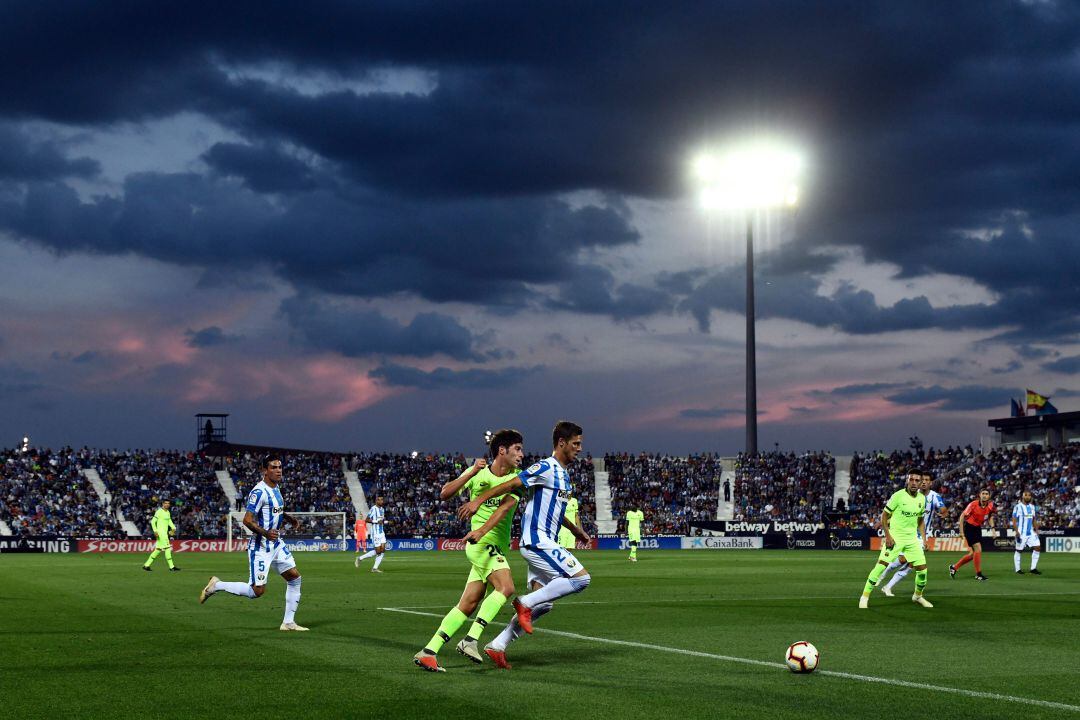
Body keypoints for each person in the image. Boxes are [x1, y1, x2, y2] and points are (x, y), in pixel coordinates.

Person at [457, 421, 592, 668]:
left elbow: (556, 512)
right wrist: (479, 501)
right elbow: (511, 484)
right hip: (537, 541)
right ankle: (523, 603)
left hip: (543, 541)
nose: (580, 448)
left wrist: (576, 530)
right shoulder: (546, 467)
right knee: (581, 580)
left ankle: (497, 645)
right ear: (561, 443)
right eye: (576, 444)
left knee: (545, 603)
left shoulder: (564, 474)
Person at [413, 429, 524, 672]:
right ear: (501, 451)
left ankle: (429, 651)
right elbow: (445, 493)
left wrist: (483, 528)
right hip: (482, 544)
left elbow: (504, 508)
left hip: (488, 543)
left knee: (469, 603)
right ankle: (471, 640)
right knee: (506, 588)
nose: (522, 454)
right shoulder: (478, 472)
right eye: (517, 449)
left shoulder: (518, 478)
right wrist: (470, 472)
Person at [198, 455, 307, 631]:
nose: (278, 470)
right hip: (261, 546)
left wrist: (288, 518)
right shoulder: (258, 492)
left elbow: (276, 510)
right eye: (274, 467)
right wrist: (265, 533)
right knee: (256, 591)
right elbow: (247, 520)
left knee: (294, 578)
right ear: (264, 470)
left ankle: (288, 622)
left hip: (276, 543)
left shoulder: (276, 488)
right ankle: (216, 586)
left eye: (280, 467)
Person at [859, 471, 932, 609]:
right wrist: (888, 535)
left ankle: (917, 596)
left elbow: (920, 520)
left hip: (912, 540)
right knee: (880, 566)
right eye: (912, 480)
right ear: (907, 480)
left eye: (917, 480)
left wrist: (924, 539)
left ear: (921, 482)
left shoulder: (922, 499)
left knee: (923, 571)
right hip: (895, 538)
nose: (914, 483)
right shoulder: (897, 496)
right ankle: (864, 597)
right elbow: (884, 516)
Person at [879, 472, 946, 595]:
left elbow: (943, 508)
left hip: (921, 535)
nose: (924, 482)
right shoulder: (912, 495)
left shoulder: (934, 496)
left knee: (911, 564)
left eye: (927, 480)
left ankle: (888, 586)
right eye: (923, 480)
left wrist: (943, 512)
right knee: (902, 559)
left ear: (930, 483)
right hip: (906, 533)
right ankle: (883, 573)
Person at [950, 489, 995, 581]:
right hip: (969, 527)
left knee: (973, 554)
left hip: (978, 528)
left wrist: (993, 529)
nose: (984, 495)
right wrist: (961, 532)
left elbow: (990, 516)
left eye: (986, 494)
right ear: (979, 495)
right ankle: (978, 574)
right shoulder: (973, 504)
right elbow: (962, 516)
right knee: (978, 548)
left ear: (989, 496)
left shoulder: (990, 505)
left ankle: (954, 567)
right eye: (983, 493)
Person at [142, 500, 179, 572]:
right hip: (160, 533)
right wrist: (155, 531)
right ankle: (171, 567)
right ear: (163, 504)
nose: (167, 504)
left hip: (164, 533)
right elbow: (153, 521)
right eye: (165, 503)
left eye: (168, 503)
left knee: (158, 550)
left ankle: (146, 565)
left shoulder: (168, 512)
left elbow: (169, 521)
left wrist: (174, 527)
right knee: (167, 548)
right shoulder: (159, 512)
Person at [1012, 490, 1042, 575]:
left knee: (1037, 547)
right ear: (1022, 496)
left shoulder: (1032, 507)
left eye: (1029, 495)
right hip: (1021, 532)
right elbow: (1014, 520)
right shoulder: (1017, 507)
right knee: (1019, 550)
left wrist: (1036, 530)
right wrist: (1017, 532)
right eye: (1026, 495)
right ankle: (1018, 569)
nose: (1028, 497)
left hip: (1031, 532)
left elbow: (1033, 519)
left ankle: (1033, 568)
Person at [356, 496, 386, 573]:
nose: (381, 501)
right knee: (378, 552)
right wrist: (376, 521)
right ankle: (360, 558)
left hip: (381, 532)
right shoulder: (373, 509)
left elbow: (381, 520)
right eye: (379, 500)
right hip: (375, 533)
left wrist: (385, 522)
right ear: (376, 501)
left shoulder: (382, 509)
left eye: (382, 499)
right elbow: (367, 520)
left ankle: (374, 568)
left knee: (382, 551)